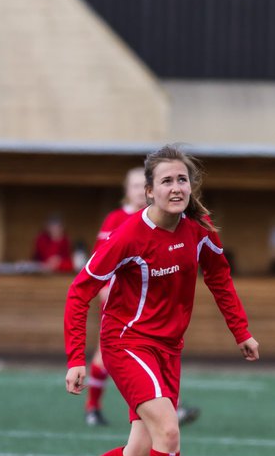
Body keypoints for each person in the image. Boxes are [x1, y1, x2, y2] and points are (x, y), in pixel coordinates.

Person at [37, 145, 259, 456]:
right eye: (167, 181)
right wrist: (76, 357)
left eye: (182, 179)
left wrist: (241, 332)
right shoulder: (129, 236)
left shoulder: (199, 230)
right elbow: (79, 291)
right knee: (170, 432)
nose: (176, 188)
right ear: (149, 190)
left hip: (168, 350)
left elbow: (220, 278)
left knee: (139, 453)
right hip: (126, 343)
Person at [83, 167, 201, 428]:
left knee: (160, 352)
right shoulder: (116, 219)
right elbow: (97, 264)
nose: (138, 191)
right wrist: (104, 292)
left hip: (153, 302)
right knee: (107, 354)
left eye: (141, 185)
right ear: (127, 191)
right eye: (134, 186)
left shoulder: (164, 219)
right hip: (121, 300)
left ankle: (168, 408)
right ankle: (93, 407)